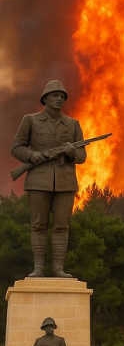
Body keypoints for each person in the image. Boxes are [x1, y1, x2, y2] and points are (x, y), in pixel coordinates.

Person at [10, 80, 87, 278]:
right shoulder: (30, 120)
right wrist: (32, 156)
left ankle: (58, 269)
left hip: (65, 182)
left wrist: (71, 152)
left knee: (62, 226)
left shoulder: (73, 124)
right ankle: (38, 269)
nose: (59, 98)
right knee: (38, 225)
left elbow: (82, 157)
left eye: (62, 96)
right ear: (45, 98)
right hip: (38, 180)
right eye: (55, 95)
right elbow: (17, 148)